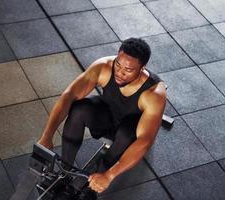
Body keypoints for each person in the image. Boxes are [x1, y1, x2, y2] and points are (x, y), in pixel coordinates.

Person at [37, 38, 166, 197]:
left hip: (130, 132)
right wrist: (47, 135)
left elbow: (145, 140)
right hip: (106, 119)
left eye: (128, 69)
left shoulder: (154, 94)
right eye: (118, 64)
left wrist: (109, 175)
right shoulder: (104, 67)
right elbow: (69, 95)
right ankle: (65, 171)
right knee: (79, 109)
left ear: (142, 68)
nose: (119, 72)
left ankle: (96, 182)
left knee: (127, 134)